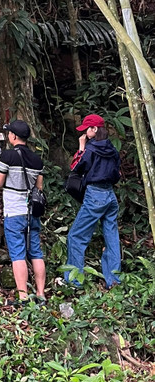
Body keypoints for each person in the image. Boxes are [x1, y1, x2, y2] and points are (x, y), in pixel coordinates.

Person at [64, 114, 122, 290]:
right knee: (112, 238)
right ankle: (114, 281)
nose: (84, 133)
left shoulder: (90, 149)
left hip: (95, 195)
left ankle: (74, 281)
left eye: (86, 130)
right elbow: (117, 174)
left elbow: (76, 167)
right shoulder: (112, 149)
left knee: (76, 236)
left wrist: (81, 147)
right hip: (110, 195)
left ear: (95, 129)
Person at [0, 119, 46, 304]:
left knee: (18, 254)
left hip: (14, 212)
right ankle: (41, 294)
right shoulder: (37, 159)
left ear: (14, 136)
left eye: (10, 133)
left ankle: (23, 296)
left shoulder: (7, 156)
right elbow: (39, 187)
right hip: (32, 212)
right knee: (36, 253)